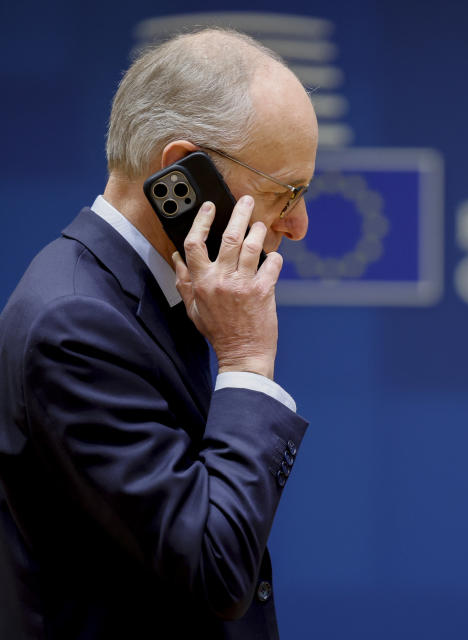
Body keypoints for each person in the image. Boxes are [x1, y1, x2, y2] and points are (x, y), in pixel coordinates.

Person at [0, 28, 318, 639]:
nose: (299, 224)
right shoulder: (74, 325)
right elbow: (215, 567)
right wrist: (248, 361)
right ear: (181, 173)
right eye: (285, 192)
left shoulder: (144, 295)